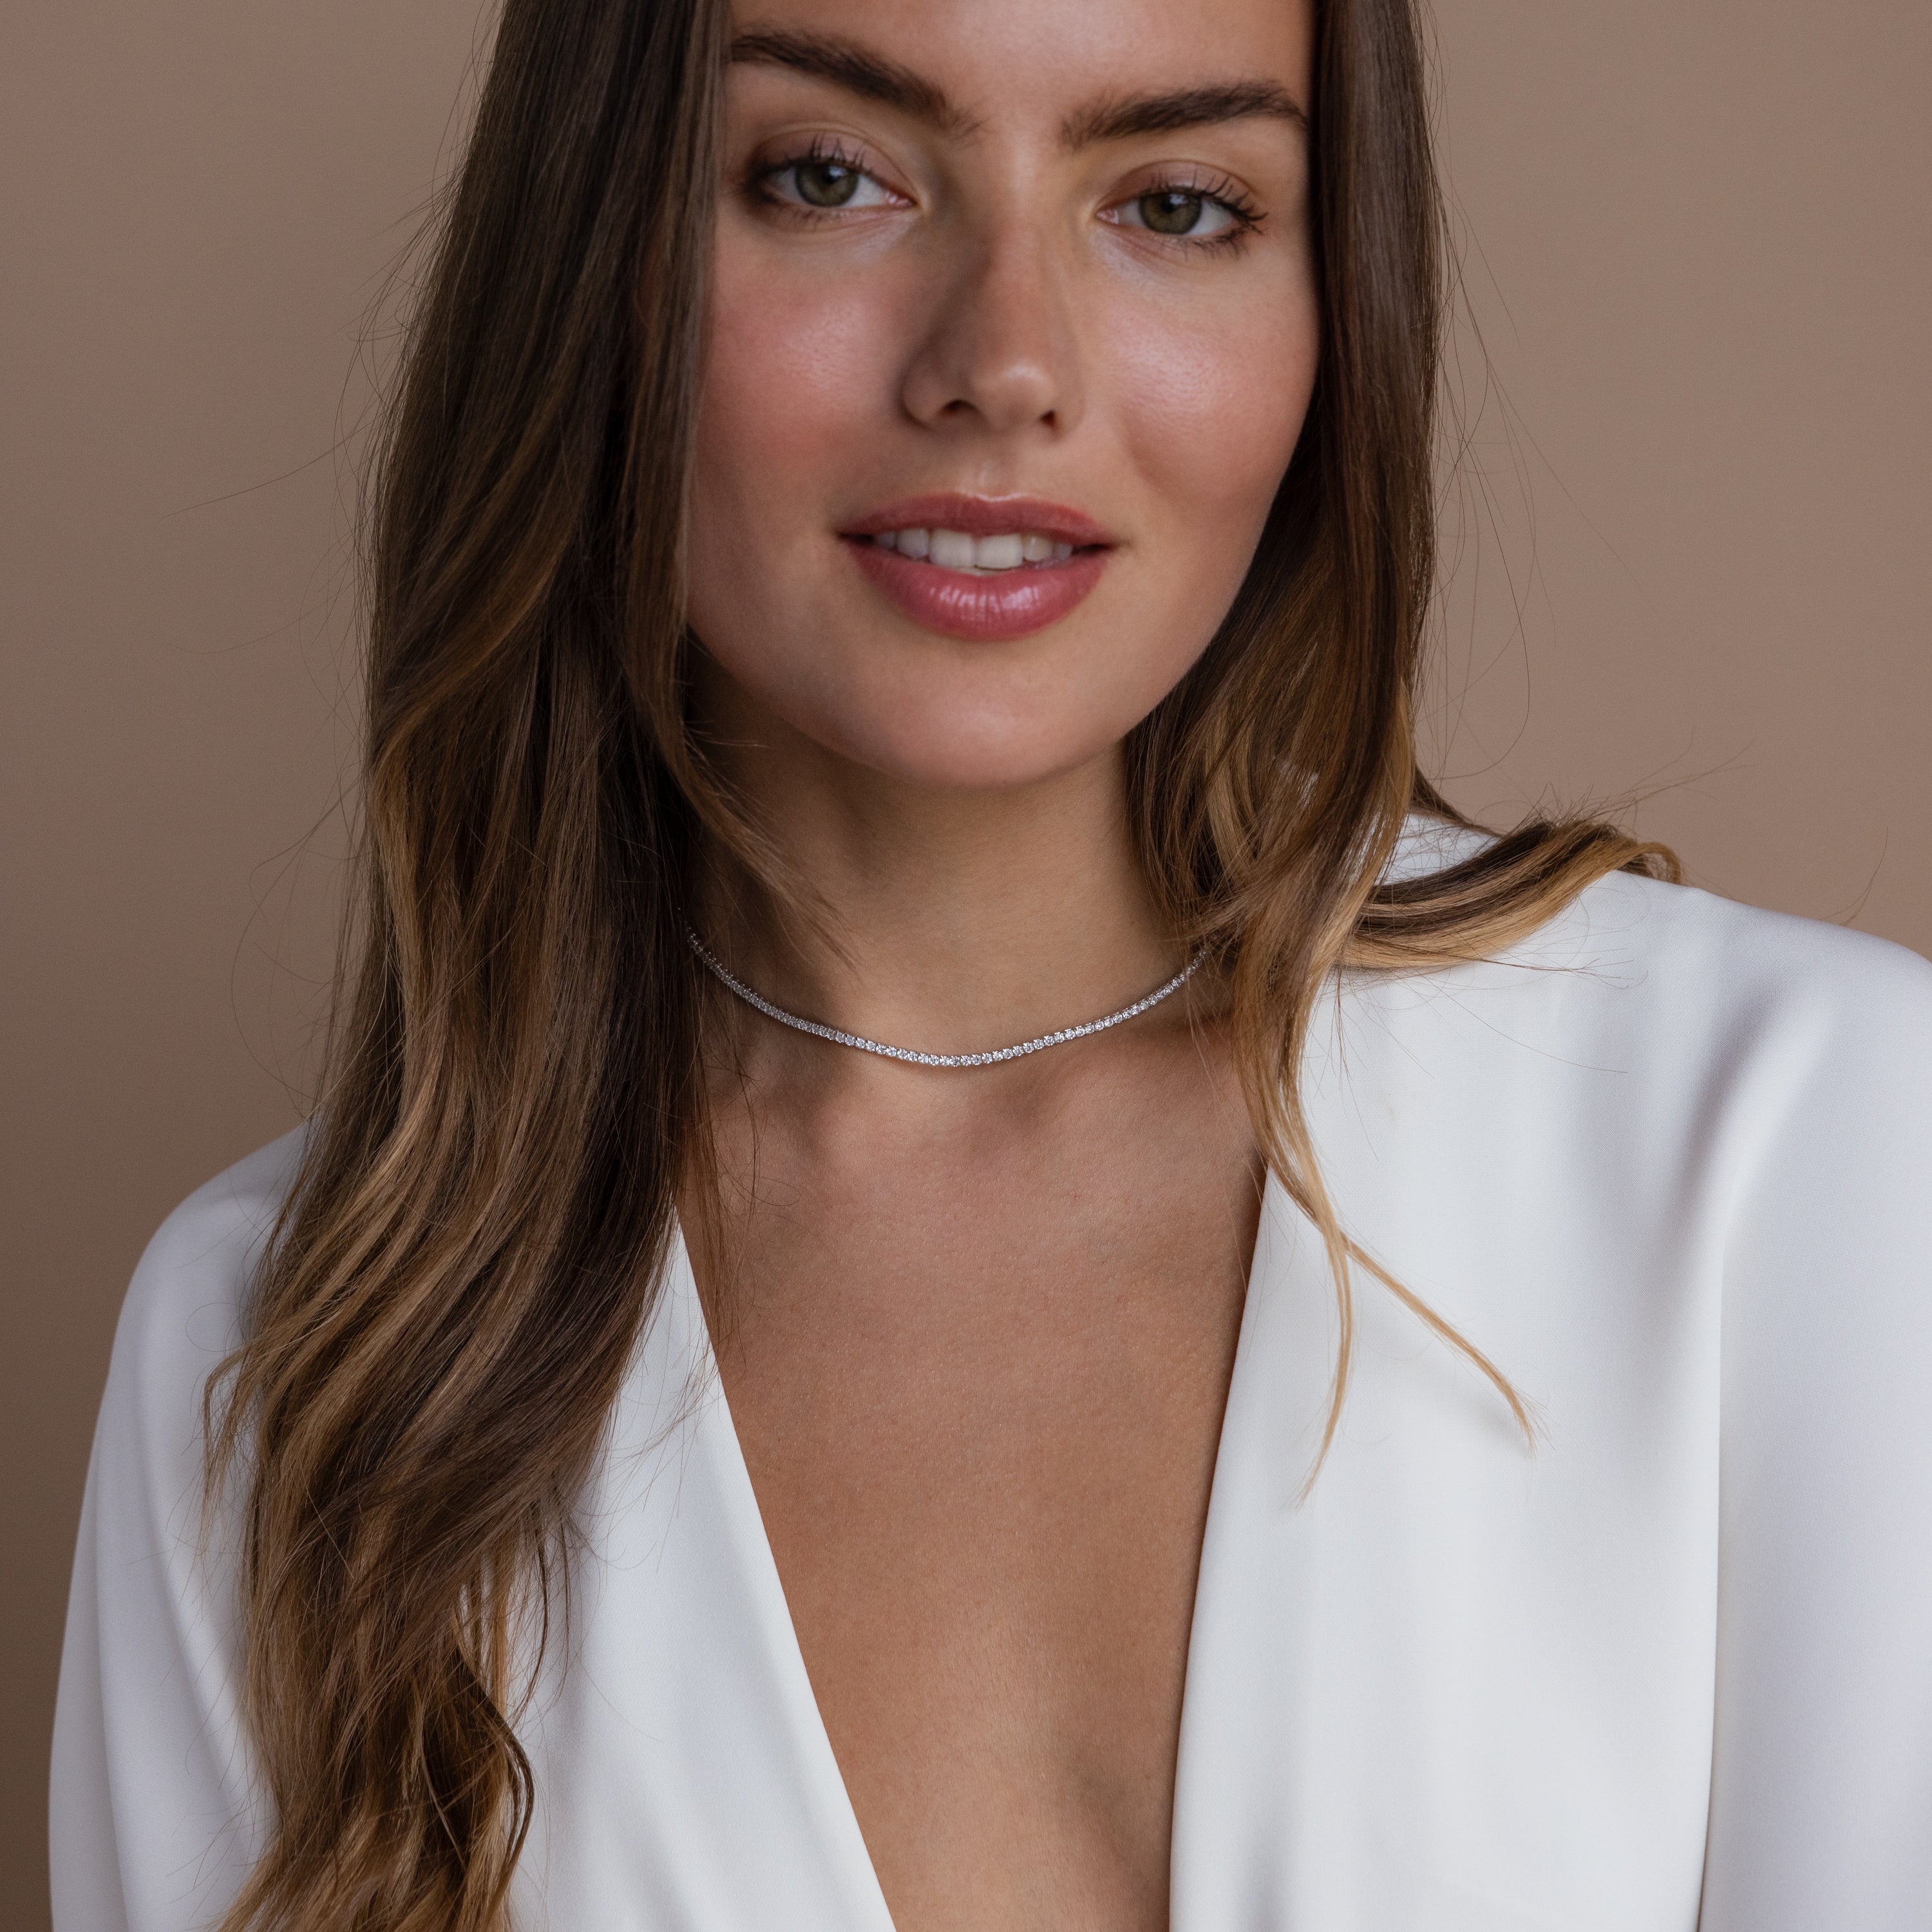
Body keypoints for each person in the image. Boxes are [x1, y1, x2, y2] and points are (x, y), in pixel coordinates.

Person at [50, 0, 1932, 1927]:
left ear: (1328, 313)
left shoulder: (1808, 1164)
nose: (1007, 365)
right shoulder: (278, 1366)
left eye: (1181, 205)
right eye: (827, 176)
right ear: (592, 255)